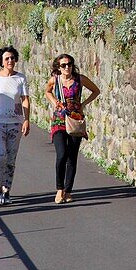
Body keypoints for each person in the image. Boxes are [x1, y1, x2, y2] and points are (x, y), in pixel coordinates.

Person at [45, 54, 100, 204]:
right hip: (59, 120)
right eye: (63, 65)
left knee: (72, 156)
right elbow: (47, 91)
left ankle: (68, 191)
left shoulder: (79, 79)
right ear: (58, 67)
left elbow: (96, 91)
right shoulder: (55, 80)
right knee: (61, 154)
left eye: (69, 64)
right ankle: (59, 189)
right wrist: (55, 101)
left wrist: (83, 104)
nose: (67, 67)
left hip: (75, 120)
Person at [0, 46, 30, 206]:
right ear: (1, 61)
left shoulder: (20, 78)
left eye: (13, 58)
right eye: (7, 58)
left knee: (10, 159)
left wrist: (27, 119)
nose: (10, 61)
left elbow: (25, 100)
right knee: (0, 156)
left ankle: (7, 190)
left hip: (15, 123)